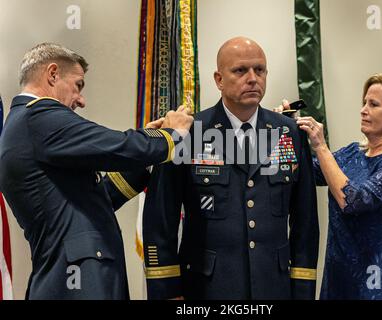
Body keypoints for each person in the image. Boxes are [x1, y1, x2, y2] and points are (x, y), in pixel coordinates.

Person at [105, 36, 320, 300]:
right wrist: (168, 292)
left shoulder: (288, 133)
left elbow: (306, 223)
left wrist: (303, 290)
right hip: (207, 287)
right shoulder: (189, 133)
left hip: (273, 286)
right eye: (240, 70)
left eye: (260, 70)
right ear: (219, 79)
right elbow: (161, 222)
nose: (253, 78)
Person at [0, 43, 193, 299]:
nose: (81, 100)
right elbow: (116, 145)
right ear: (53, 74)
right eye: (78, 85)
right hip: (79, 282)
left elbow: (95, 199)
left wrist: (148, 147)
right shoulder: (39, 117)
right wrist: (173, 135)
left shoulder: (26, 124)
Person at [279, 73, 382, 299]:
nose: (363, 110)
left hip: (374, 283)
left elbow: (353, 201)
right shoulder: (351, 153)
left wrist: (321, 146)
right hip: (336, 278)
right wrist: (284, 130)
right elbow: (301, 172)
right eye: (364, 103)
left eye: (373, 104)